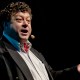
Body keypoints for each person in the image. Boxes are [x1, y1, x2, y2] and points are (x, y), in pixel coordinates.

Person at [0, 1, 80, 80]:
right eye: (19, 20)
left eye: (28, 21)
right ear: (5, 24)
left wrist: (76, 70)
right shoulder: (2, 52)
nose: (25, 24)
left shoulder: (35, 53)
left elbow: (51, 76)